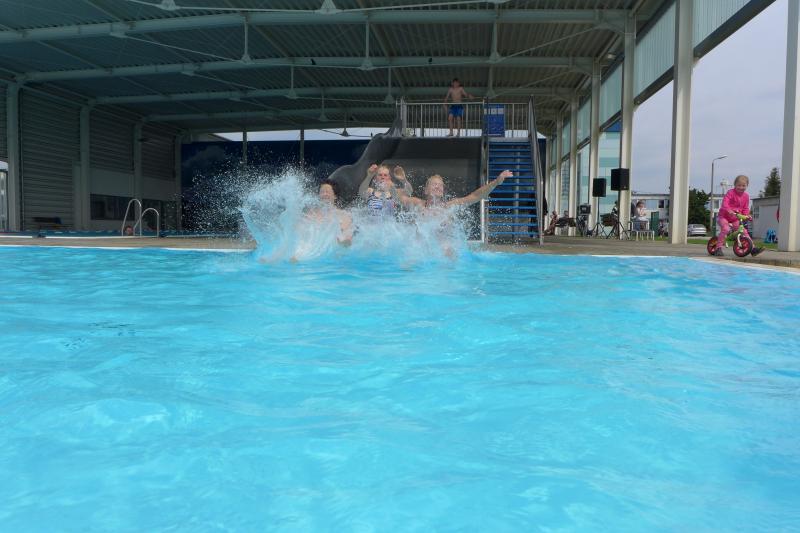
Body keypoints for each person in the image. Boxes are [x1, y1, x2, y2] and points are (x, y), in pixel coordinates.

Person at [713, 174, 763, 257]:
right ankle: (718, 248)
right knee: (726, 229)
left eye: (743, 185)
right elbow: (725, 203)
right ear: (735, 185)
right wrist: (728, 210)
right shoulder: (730, 193)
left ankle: (752, 249)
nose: (741, 187)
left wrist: (747, 215)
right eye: (739, 185)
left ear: (747, 186)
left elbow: (745, 208)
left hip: (735, 218)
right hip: (724, 216)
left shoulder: (746, 196)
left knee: (744, 232)